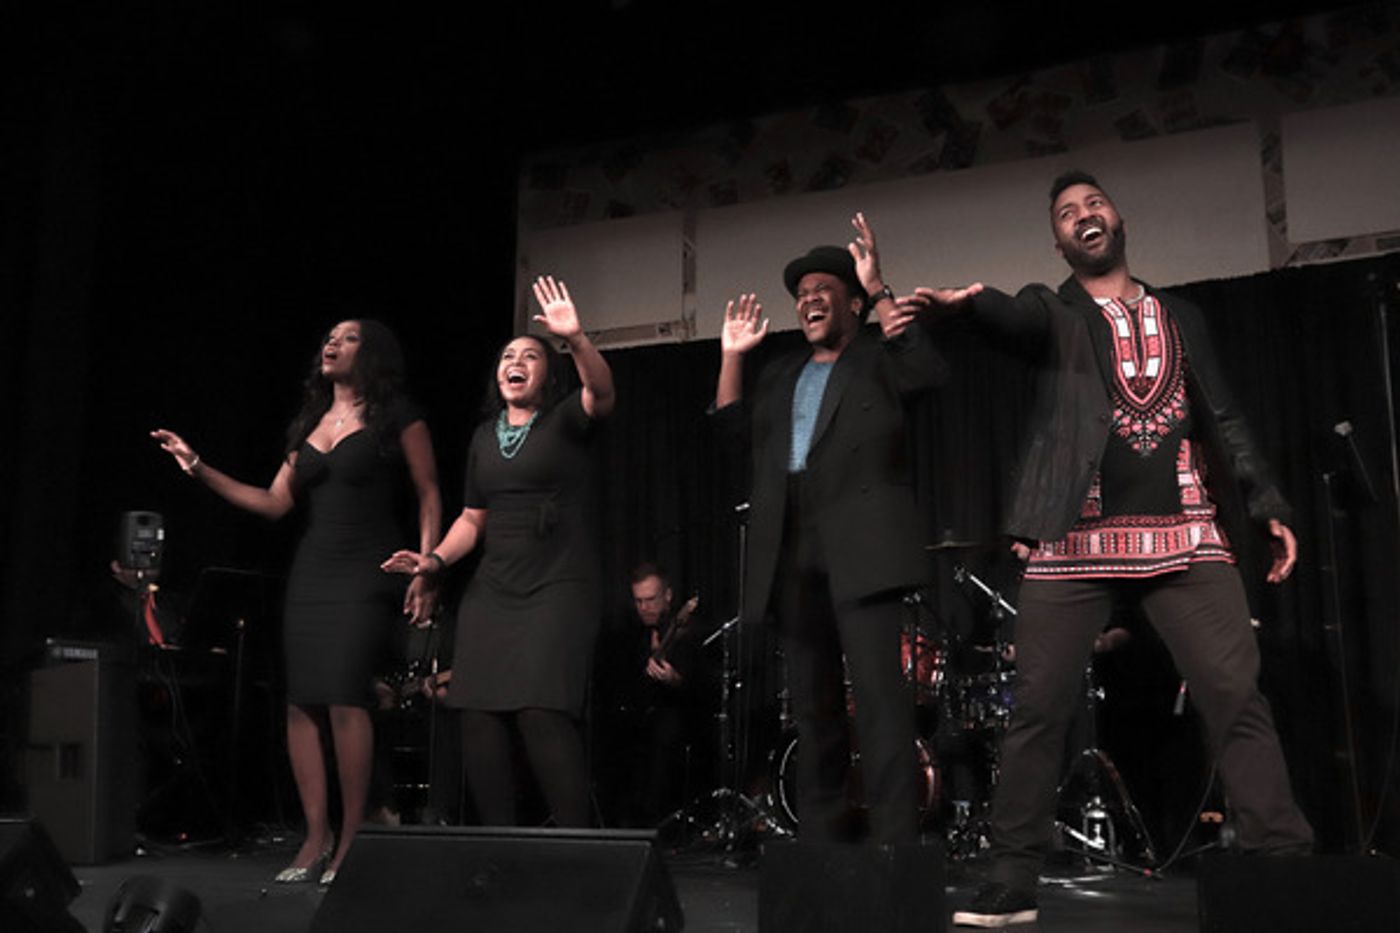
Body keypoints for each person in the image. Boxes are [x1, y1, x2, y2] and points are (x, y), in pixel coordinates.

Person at [899, 171, 1314, 927]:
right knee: (1036, 711)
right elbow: (1013, 322)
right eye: (1065, 212)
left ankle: (1282, 858)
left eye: (1093, 203)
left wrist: (1267, 503)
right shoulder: (1053, 313)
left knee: (1235, 696)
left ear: (1118, 218)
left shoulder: (1180, 315)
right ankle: (1013, 881)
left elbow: (1221, 414)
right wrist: (971, 305)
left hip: (1183, 526)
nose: (1083, 215)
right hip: (1072, 533)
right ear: (1057, 241)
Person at [152, 319, 442, 884]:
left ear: (374, 353)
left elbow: (430, 490)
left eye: (349, 337)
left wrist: (428, 567)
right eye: (329, 337)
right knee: (301, 701)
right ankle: (316, 836)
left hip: (370, 567)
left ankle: (355, 837)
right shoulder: (310, 422)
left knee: (343, 695)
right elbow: (272, 502)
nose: (331, 343)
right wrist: (198, 468)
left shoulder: (398, 415)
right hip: (313, 571)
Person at [711, 213, 948, 844]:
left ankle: (896, 845)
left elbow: (927, 374)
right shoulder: (784, 372)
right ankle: (822, 842)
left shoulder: (880, 355)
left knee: (879, 702)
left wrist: (882, 290)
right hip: (792, 542)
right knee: (813, 708)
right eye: (801, 295)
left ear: (853, 304)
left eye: (824, 291)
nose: (808, 300)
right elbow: (733, 435)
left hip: (864, 543)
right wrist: (732, 356)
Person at [382, 275, 615, 828]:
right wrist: (433, 561)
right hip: (494, 589)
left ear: (547, 373)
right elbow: (471, 518)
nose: (515, 361)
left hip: (558, 584)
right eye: (508, 355)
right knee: (475, 711)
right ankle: (501, 845)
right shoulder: (485, 437)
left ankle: (580, 849)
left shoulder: (565, 421)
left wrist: (576, 338)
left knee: (540, 710)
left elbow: (601, 394)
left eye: (530, 355)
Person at [607, 562, 708, 827]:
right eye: (638, 601)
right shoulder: (630, 632)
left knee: (665, 733)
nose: (644, 607)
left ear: (668, 595)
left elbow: (702, 685)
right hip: (637, 719)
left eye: (650, 599)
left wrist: (675, 680)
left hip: (680, 720)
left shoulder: (689, 632)